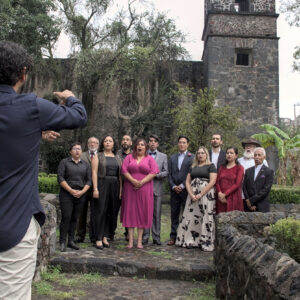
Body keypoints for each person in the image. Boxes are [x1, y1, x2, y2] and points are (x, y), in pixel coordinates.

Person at [0, 41, 87, 300]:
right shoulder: (30, 107)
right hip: (13, 226)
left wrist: (34, 133)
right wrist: (69, 96)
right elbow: (78, 115)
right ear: (23, 73)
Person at [176, 147, 217, 250]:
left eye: (202, 153)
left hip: (206, 195)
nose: (200, 155)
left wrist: (200, 194)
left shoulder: (211, 166)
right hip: (192, 195)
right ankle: (191, 240)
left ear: (206, 154)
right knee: (192, 216)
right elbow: (187, 182)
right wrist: (191, 194)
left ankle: (204, 241)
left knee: (205, 216)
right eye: (198, 153)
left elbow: (212, 182)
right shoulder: (193, 166)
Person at [121, 139, 159, 249]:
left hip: (145, 188)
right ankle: (130, 241)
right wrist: (133, 181)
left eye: (142, 145)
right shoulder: (129, 158)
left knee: (142, 213)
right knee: (130, 213)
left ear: (146, 147)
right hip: (130, 189)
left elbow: (154, 172)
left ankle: (139, 241)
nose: (140, 146)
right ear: (135, 147)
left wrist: (141, 182)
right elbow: (124, 170)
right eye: (138, 145)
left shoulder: (150, 159)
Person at [57, 143, 91, 251]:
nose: (77, 151)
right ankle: (62, 241)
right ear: (70, 151)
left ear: (81, 151)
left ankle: (71, 240)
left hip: (80, 195)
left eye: (79, 149)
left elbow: (89, 180)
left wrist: (82, 192)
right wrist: (71, 190)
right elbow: (60, 178)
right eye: (75, 149)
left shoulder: (85, 165)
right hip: (67, 194)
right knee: (66, 217)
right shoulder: (64, 162)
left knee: (74, 218)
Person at [91, 135, 122, 249]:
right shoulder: (97, 156)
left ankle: (106, 236)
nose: (108, 142)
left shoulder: (118, 158)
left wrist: (121, 191)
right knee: (100, 210)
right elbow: (94, 173)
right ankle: (98, 237)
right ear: (103, 144)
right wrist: (95, 188)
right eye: (106, 141)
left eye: (110, 141)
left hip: (115, 185)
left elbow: (120, 176)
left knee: (111, 211)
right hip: (102, 184)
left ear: (114, 144)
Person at [167, 136, 194, 246]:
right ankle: (173, 236)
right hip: (174, 191)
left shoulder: (192, 157)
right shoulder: (172, 158)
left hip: (186, 190)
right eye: (180, 142)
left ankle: (184, 237)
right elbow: (169, 174)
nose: (182, 144)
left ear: (187, 144)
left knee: (187, 214)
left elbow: (192, 173)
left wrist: (182, 186)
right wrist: (173, 186)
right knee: (174, 214)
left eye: (184, 142)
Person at [142, 134, 168, 246]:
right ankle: (145, 236)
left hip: (157, 188)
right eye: (150, 141)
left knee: (157, 214)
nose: (152, 143)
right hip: (144, 188)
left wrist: (155, 175)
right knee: (145, 213)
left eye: (154, 141)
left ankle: (156, 237)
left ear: (157, 144)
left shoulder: (163, 156)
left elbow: (166, 172)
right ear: (148, 143)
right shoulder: (142, 155)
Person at [76, 136, 99, 244]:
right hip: (83, 187)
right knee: (81, 212)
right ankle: (80, 235)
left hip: (96, 187)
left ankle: (93, 236)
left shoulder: (101, 156)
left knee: (95, 212)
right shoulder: (82, 155)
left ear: (98, 145)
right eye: (90, 142)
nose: (92, 144)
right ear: (87, 144)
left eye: (95, 143)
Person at [243, 148, 274, 212]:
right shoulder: (248, 171)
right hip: (248, 205)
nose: (257, 157)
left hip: (262, 205)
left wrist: (251, 200)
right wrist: (248, 200)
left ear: (264, 157)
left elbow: (266, 189)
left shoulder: (269, 172)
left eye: (259, 155)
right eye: (255, 155)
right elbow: (244, 187)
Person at [216, 147, 244, 214]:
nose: (229, 155)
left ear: (236, 155)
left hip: (233, 197)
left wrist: (225, 194)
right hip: (220, 197)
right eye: (227, 153)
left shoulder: (239, 168)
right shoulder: (222, 167)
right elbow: (217, 181)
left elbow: (237, 184)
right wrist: (219, 193)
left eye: (231, 153)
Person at [117, 134, 133, 241]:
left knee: (129, 210)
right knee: (114, 209)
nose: (125, 141)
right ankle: (110, 232)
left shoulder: (134, 155)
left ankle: (128, 232)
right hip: (116, 184)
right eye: (123, 139)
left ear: (131, 143)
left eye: (127, 140)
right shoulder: (116, 154)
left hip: (129, 185)